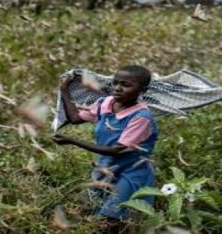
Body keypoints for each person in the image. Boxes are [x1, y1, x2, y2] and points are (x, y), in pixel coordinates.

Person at [52, 65, 158, 233]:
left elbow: (117, 150)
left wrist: (73, 141)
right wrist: (64, 90)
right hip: (106, 168)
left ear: (142, 90)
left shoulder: (141, 117)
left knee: (112, 218)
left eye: (125, 85)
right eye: (115, 83)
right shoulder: (105, 103)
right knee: (91, 211)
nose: (117, 88)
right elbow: (74, 118)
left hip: (132, 171)